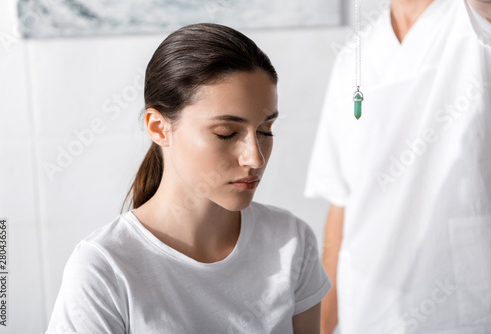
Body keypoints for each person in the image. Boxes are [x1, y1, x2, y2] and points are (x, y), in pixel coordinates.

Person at [46, 23, 331, 334]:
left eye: (265, 130)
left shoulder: (290, 242)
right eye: (226, 133)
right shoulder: (104, 268)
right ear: (158, 128)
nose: (255, 157)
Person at [305, 0, 491, 333]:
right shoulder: (353, 58)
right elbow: (341, 204)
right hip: (366, 309)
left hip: (461, 306)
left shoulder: (474, 17)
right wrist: (323, 323)